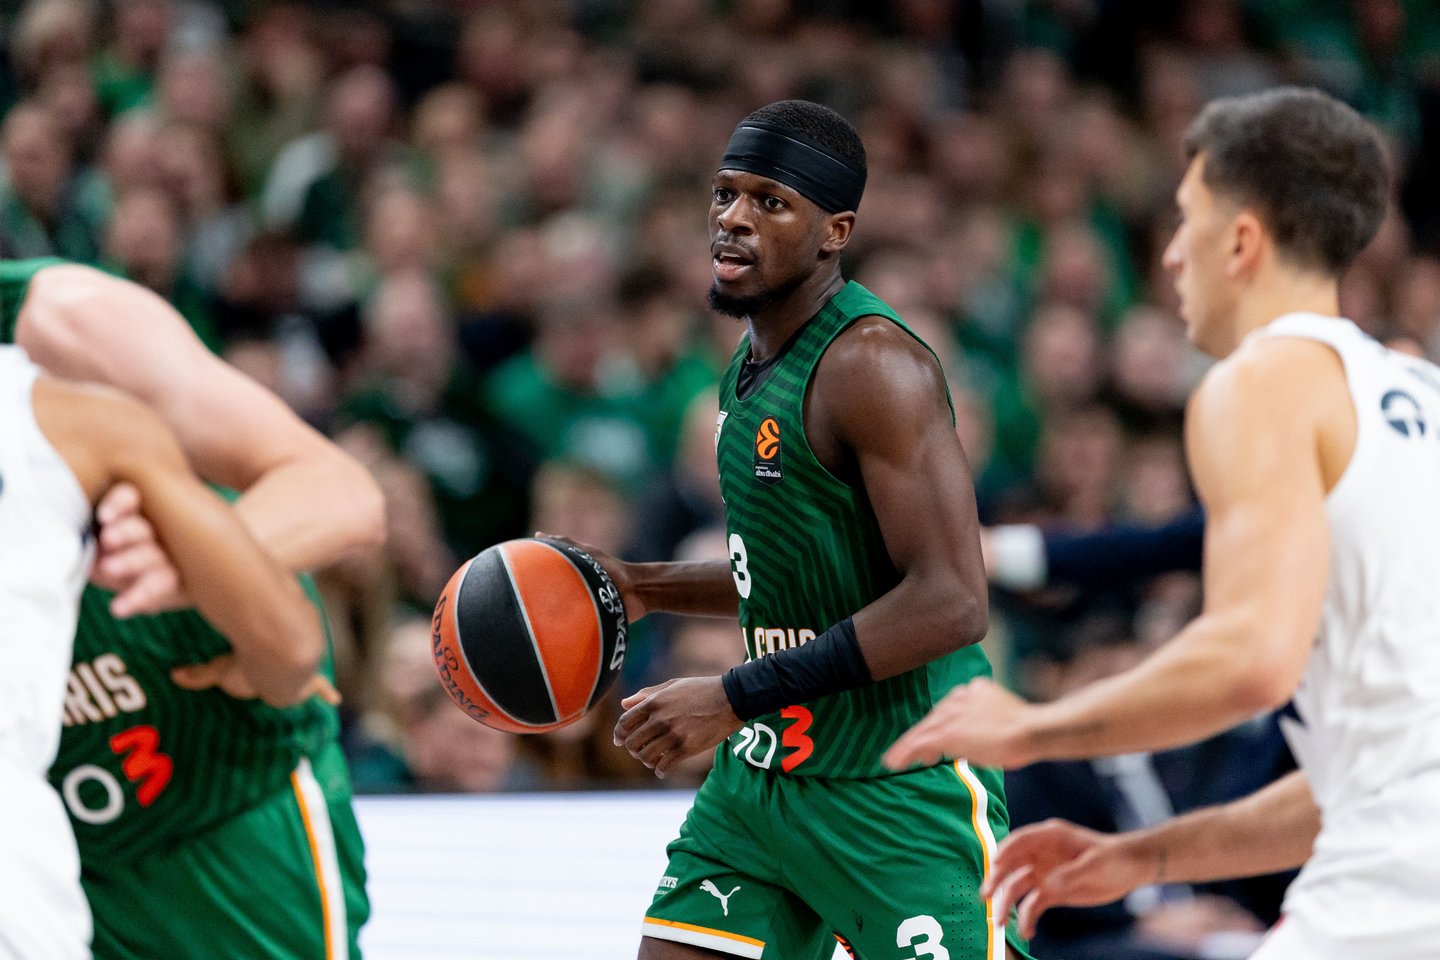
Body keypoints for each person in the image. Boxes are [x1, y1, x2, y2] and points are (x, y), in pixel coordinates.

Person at [883, 88, 1429, 959]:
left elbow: (1250, 658)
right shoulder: (1419, 395)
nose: (1172, 254)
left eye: (1187, 219)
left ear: (1241, 240)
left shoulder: (1261, 381)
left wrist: (1030, 728)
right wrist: (1140, 859)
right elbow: (1370, 781)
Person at [552, 100, 1029, 960]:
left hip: (896, 783)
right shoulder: (746, 365)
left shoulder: (875, 365)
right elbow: (790, 580)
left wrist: (731, 696)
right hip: (766, 781)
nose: (733, 218)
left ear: (834, 232)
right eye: (725, 194)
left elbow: (952, 602)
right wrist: (642, 585)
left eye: (770, 202)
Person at [1, 258, 382, 958]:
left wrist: (196, 563)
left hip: (217, 792)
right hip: (53, 827)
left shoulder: (62, 325)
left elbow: (341, 492)